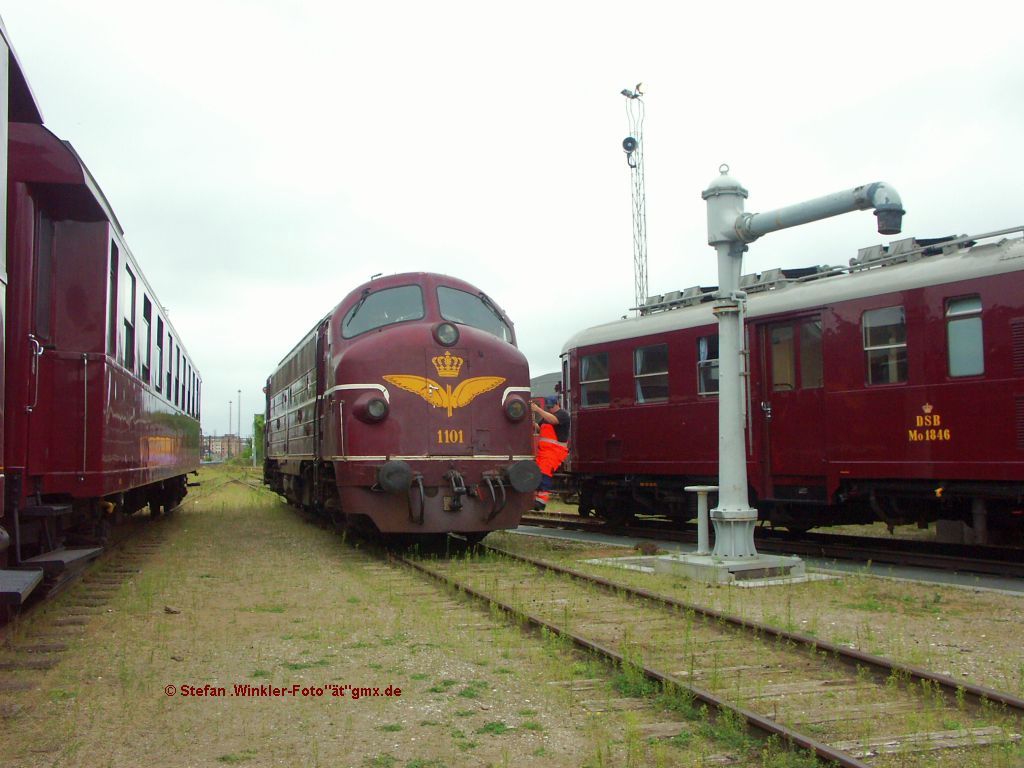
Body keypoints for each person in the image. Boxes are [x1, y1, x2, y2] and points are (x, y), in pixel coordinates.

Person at [531, 396, 570, 511]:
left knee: (545, 472)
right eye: (548, 407)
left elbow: (554, 420)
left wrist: (538, 410)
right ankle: (536, 498)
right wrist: (532, 421)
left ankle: (541, 502)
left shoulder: (563, 415)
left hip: (555, 452)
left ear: (557, 404)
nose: (550, 409)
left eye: (551, 406)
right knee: (537, 472)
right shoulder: (546, 417)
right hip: (544, 452)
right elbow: (539, 428)